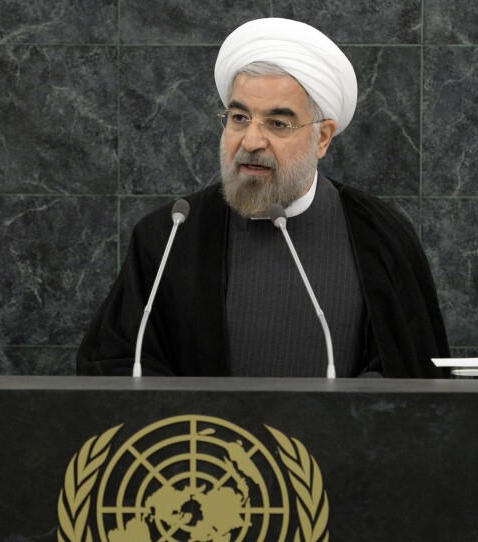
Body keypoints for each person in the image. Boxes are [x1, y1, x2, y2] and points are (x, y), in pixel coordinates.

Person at [77, 18, 449, 378]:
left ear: (322, 138)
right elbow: (117, 364)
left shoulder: (379, 234)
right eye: (239, 117)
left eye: (277, 123)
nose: (251, 141)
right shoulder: (171, 232)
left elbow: (409, 372)